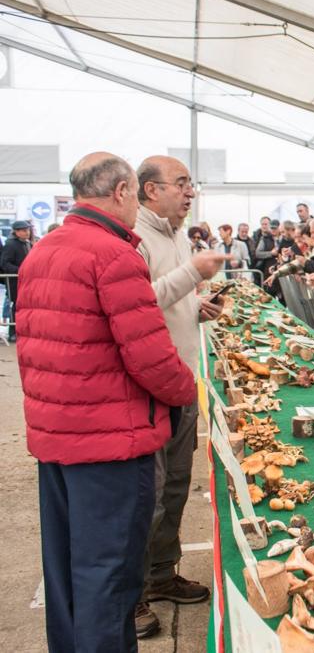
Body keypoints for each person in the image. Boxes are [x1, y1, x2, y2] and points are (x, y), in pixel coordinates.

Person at [17, 152, 197, 653]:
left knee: (69, 573)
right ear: (121, 193)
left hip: (58, 439)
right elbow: (151, 358)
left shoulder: (45, 250)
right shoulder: (114, 254)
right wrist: (188, 390)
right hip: (110, 444)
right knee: (109, 576)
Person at [133, 155, 229, 637]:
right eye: (181, 183)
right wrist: (193, 274)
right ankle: (131, 598)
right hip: (148, 389)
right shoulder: (135, 237)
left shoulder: (173, 233)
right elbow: (138, 304)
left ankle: (160, 575)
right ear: (150, 190)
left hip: (183, 381)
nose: (190, 192)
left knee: (173, 487)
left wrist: (197, 306)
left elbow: (170, 302)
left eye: (192, 183)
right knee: (144, 497)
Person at [1, 220, 33, 342]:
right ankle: (13, 332)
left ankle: (23, 330)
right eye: (24, 230)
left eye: (28, 230)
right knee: (16, 306)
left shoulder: (27, 243)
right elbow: (5, 263)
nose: (27, 232)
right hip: (16, 281)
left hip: (26, 280)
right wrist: (20, 271)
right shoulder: (10, 244)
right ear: (16, 232)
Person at [253, 216, 278, 287]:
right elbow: (257, 254)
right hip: (265, 269)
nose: (264, 226)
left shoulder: (280, 236)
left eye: (266, 224)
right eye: (262, 224)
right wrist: (271, 253)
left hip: (278, 268)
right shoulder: (262, 238)